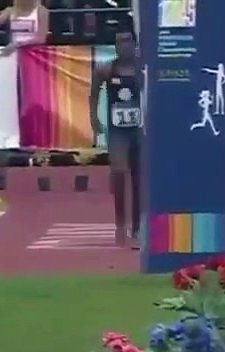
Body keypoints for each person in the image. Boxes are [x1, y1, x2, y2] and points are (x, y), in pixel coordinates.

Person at [89, 29, 141, 248]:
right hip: (118, 130)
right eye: (119, 42)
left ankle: (137, 226)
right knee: (119, 172)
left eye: (128, 41)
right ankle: (120, 223)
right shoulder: (105, 68)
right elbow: (93, 95)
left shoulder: (143, 68)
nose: (124, 46)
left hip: (139, 129)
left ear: (135, 44)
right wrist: (94, 120)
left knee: (140, 177)